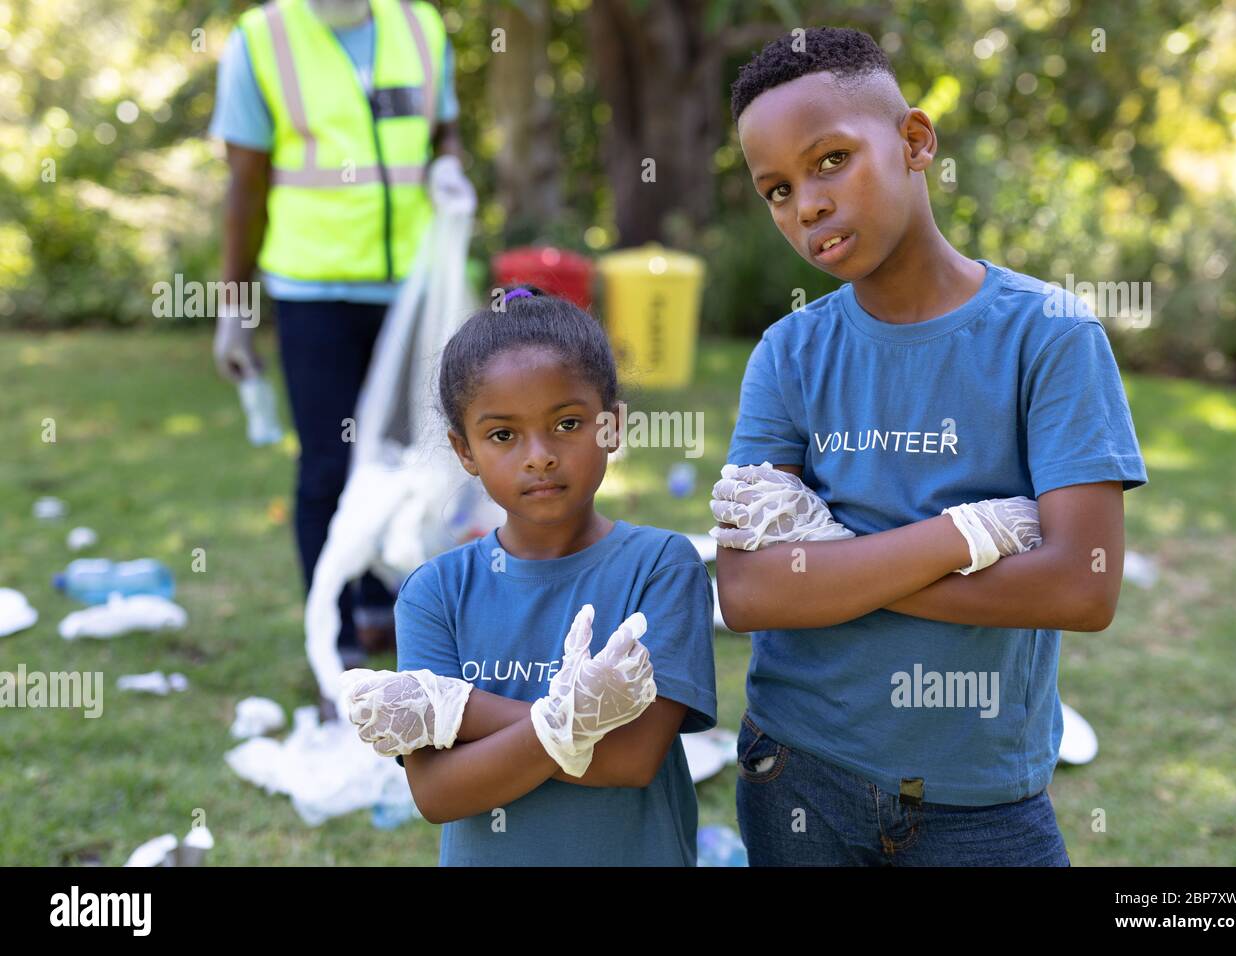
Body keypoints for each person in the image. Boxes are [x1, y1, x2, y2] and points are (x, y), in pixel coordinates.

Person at [713, 28, 1148, 866]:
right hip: (796, 770)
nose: (805, 205)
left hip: (978, 797)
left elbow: (1082, 587)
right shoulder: (789, 354)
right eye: (776, 189)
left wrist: (832, 564)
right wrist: (963, 537)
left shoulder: (1048, 338)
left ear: (914, 141)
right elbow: (750, 590)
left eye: (830, 160)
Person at [341, 286, 719, 866]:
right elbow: (439, 792)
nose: (539, 455)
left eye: (567, 423)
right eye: (502, 435)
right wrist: (573, 719)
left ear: (612, 425)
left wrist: (453, 708)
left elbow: (632, 760)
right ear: (463, 450)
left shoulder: (662, 566)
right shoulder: (435, 593)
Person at [208, 0, 469, 666]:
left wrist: (448, 164)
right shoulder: (261, 40)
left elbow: (445, 131)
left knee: (418, 460)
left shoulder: (420, 27)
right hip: (314, 290)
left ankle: (391, 606)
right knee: (329, 463)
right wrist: (233, 306)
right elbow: (245, 183)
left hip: (411, 290)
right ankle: (340, 639)